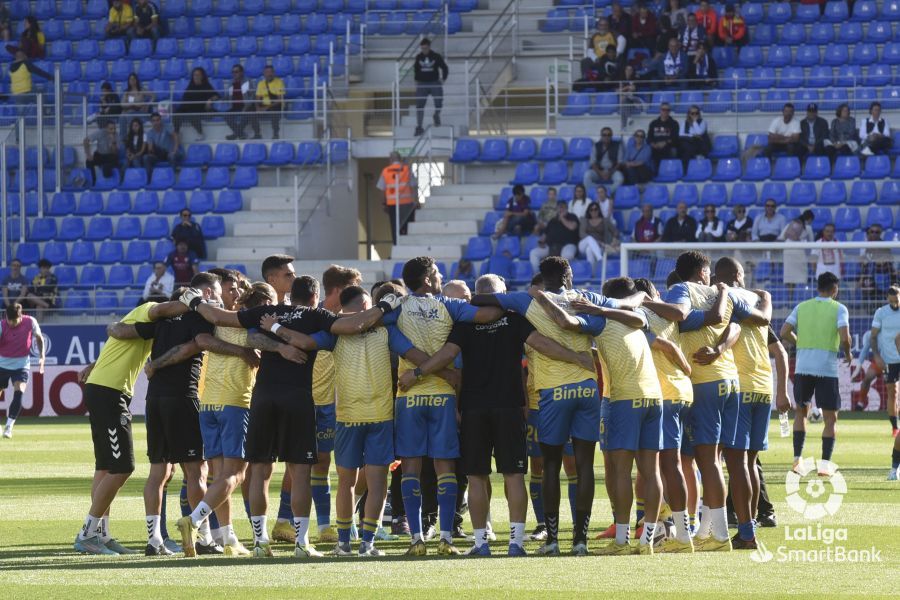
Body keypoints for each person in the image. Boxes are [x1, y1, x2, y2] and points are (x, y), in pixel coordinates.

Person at [187, 273, 402, 558]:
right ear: (314, 296)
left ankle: (261, 542)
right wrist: (386, 306)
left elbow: (220, 317)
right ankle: (302, 544)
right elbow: (354, 324)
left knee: (260, 472)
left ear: (292, 294)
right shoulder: (317, 316)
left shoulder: (266, 311)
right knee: (300, 472)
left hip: (263, 398)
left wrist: (193, 301)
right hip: (298, 399)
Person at [402, 274, 593, 556]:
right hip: (509, 406)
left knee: (477, 476)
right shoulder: (514, 320)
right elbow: (542, 344)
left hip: (474, 408)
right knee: (514, 475)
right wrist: (576, 357)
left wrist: (418, 372)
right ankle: (515, 543)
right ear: (500, 295)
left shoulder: (465, 323)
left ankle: (481, 543)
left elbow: (446, 355)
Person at [471, 257, 644, 555]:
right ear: (569, 276)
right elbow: (629, 303)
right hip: (588, 388)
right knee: (585, 465)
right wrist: (642, 296)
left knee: (550, 465)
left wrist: (505, 299)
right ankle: (580, 540)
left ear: (544, 279)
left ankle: (551, 539)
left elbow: (477, 297)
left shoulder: (528, 300)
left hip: (553, 393)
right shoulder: (586, 297)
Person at [354, 257, 503, 557]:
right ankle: (446, 539)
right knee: (444, 466)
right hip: (443, 396)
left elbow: (369, 323)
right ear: (426, 280)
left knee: (411, 467)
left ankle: (416, 540)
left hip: (408, 397)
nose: (440, 276)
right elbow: (490, 314)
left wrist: (401, 340)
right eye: (436, 273)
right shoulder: (450, 305)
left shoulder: (400, 307)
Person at [262, 283, 424, 556]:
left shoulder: (334, 332)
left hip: (350, 417)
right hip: (377, 416)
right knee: (376, 483)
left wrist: (275, 328)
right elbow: (415, 355)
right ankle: (366, 544)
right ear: (364, 307)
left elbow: (303, 342)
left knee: (347, 483)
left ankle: (345, 544)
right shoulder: (385, 329)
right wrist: (438, 368)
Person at [106, 274, 247, 556]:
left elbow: (123, 332)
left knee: (159, 471)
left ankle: (154, 539)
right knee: (197, 470)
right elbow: (192, 347)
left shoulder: (161, 319)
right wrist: (157, 363)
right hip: (184, 397)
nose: (219, 297)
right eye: (217, 292)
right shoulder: (201, 317)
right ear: (206, 292)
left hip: (155, 399)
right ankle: (203, 537)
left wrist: (111, 326)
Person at [653, 250, 767, 552]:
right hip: (731, 381)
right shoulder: (724, 292)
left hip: (704, 381)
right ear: (703, 271)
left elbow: (678, 315)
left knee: (707, 461)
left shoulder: (681, 290)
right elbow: (741, 324)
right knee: (723, 460)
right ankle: (715, 528)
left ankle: (718, 534)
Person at [72, 296, 190, 555]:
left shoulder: (140, 327)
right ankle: (87, 533)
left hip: (106, 389)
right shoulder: (149, 310)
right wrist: (194, 300)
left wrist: (93, 365)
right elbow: (161, 308)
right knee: (123, 466)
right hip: (110, 392)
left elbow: (115, 342)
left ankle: (101, 535)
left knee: (105, 466)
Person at [175, 281, 275, 558]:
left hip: (208, 404)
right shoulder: (251, 324)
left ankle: (227, 538)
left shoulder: (220, 321)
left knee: (220, 478)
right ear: (266, 303)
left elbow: (203, 340)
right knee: (236, 474)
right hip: (235, 402)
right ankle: (193, 521)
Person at [713, 258, 784, 550]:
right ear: (740, 275)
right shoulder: (758, 298)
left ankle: (746, 531)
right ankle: (749, 526)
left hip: (740, 387)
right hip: (763, 388)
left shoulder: (725, 300)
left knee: (736, 462)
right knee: (750, 462)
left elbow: (728, 330)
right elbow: (774, 341)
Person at [632, 277, 695, 552]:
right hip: (681, 392)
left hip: (663, 393)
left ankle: (676, 533)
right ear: (654, 292)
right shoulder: (671, 314)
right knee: (671, 465)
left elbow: (665, 347)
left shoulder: (638, 314)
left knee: (660, 466)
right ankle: (671, 528)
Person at [780, 271, 852, 477]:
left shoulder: (802, 307)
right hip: (826, 370)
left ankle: (797, 461)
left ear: (818, 287)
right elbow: (845, 338)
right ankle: (824, 465)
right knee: (830, 418)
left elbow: (784, 331)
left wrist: (800, 342)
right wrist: (847, 353)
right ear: (834, 289)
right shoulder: (839, 308)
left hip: (803, 368)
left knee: (801, 413)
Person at [0, 302, 44, 439]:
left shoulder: (30, 321)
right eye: (9, 320)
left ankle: (9, 427)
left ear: (20, 316)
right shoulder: (1, 325)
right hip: (2, 364)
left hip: (22, 364)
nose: (11, 323)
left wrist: (42, 356)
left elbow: (39, 338)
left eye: (14, 321)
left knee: (19, 391)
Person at [871, 287, 900, 440]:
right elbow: (873, 336)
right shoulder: (881, 312)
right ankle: (895, 427)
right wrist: (877, 356)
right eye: (891, 301)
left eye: (897, 301)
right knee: (892, 391)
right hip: (889, 359)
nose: (895, 304)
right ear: (887, 299)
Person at [377, 151, 417, 246]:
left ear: (390, 160)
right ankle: (408, 246)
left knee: (395, 227)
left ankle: (397, 246)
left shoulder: (385, 171)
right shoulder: (407, 169)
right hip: (407, 203)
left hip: (392, 205)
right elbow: (413, 186)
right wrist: (416, 201)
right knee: (407, 227)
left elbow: (382, 190)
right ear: (400, 159)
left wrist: (384, 204)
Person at [529, 201, 580, 273]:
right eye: (559, 207)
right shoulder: (552, 220)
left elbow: (572, 227)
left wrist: (562, 218)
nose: (561, 209)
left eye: (563, 207)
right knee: (534, 253)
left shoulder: (572, 217)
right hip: (552, 246)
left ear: (566, 208)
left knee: (567, 255)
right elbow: (545, 234)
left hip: (568, 244)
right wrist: (541, 242)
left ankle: (562, 277)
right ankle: (538, 275)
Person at [413, 38, 448, 136]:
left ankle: (436, 114)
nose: (424, 50)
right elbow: (416, 69)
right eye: (422, 48)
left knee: (439, 101)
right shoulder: (418, 57)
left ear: (429, 47)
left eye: (426, 48)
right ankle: (419, 126)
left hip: (434, 82)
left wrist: (443, 78)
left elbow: (444, 67)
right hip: (422, 84)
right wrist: (416, 80)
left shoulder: (436, 56)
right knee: (419, 105)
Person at [858, 225, 897, 313]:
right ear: (869, 232)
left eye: (877, 232)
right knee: (870, 297)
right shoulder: (864, 246)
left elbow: (890, 262)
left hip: (884, 276)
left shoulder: (885, 246)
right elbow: (862, 264)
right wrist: (861, 277)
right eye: (872, 231)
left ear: (880, 233)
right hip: (870, 276)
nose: (874, 234)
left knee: (883, 298)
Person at [174, 67, 220, 141]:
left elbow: (217, 95)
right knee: (176, 113)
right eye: (194, 75)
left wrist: (210, 100)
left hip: (201, 108)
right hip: (188, 107)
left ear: (202, 76)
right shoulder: (190, 85)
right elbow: (185, 98)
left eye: (198, 75)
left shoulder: (206, 86)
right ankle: (177, 132)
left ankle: (200, 133)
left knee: (192, 115)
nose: (196, 77)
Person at [779, 210, 815, 299]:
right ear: (810, 219)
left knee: (790, 278)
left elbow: (781, 237)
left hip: (788, 250)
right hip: (800, 252)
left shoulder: (791, 224)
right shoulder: (808, 227)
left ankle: (790, 298)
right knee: (802, 278)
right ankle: (800, 299)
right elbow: (812, 243)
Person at [578, 201, 619, 275]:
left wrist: (614, 239)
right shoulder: (584, 220)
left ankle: (591, 274)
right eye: (591, 209)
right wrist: (597, 242)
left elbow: (615, 231)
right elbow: (582, 234)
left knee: (589, 250)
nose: (594, 211)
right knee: (589, 238)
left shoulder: (605, 220)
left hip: (598, 246)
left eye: (595, 209)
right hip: (583, 244)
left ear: (599, 210)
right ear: (589, 211)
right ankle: (600, 259)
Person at [8, 48, 52, 118]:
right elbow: (38, 71)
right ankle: (44, 111)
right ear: (22, 56)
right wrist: (50, 77)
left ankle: (18, 127)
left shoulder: (10, 67)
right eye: (25, 55)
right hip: (26, 92)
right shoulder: (25, 63)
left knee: (20, 117)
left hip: (16, 94)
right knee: (41, 92)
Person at [583, 127, 625, 194]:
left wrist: (610, 173)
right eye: (604, 135)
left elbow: (620, 162)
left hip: (612, 171)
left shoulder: (617, 145)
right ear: (601, 136)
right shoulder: (596, 146)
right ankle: (597, 192)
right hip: (599, 171)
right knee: (587, 175)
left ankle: (607, 192)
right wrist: (600, 173)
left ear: (611, 136)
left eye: (609, 135)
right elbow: (592, 162)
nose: (606, 137)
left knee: (620, 178)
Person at [254, 65, 284, 140]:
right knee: (251, 111)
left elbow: (279, 100)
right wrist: (258, 108)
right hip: (264, 105)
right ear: (264, 74)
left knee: (275, 112)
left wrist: (266, 107)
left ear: (274, 73)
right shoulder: (261, 83)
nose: (269, 74)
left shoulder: (279, 82)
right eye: (267, 72)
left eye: (271, 72)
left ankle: (275, 134)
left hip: (275, 105)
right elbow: (257, 98)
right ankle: (257, 134)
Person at [225, 64, 254, 140]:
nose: (234, 74)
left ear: (242, 72)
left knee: (247, 114)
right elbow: (227, 96)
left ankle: (235, 134)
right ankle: (240, 133)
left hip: (246, 105)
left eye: (236, 72)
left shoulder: (248, 82)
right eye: (233, 72)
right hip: (234, 106)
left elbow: (253, 95)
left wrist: (247, 106)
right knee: (226, 116)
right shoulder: (230, 83)